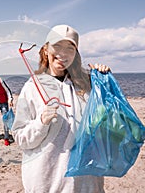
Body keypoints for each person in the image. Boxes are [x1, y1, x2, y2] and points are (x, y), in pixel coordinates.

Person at [12, 25, 110, 192]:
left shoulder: (88, 85)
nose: (63, 53)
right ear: (45, 50)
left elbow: (107, 124)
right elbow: (20, 137)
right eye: (57, 46)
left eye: (70, 48)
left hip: (86, 184)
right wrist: (41, 123)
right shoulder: (32, 88)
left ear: (76, 53)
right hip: (47, 184)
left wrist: (105, 83)